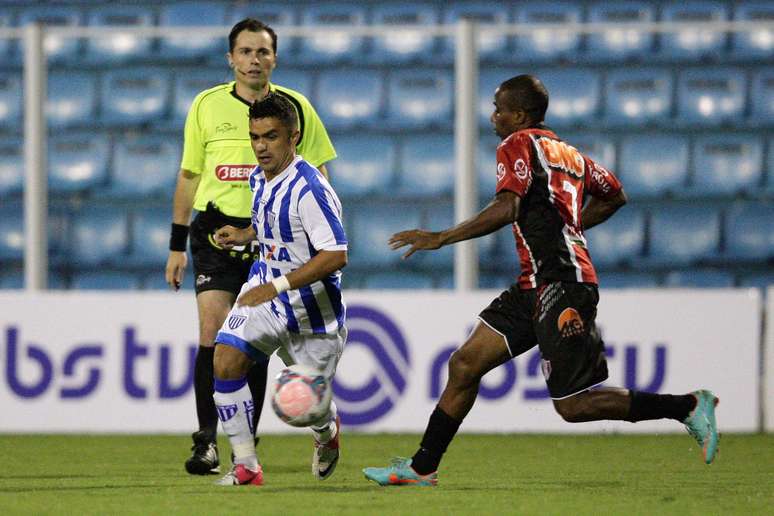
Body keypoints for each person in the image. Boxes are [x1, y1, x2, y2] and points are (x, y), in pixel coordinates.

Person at [363, 74, 719, 487]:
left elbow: (507, 206)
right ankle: (423, 467)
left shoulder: (516, 144)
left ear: (520, 115)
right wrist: (573, 227)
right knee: (465, 364)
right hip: (536, 283)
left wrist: (442, 238)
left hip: (562, 283)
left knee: (572, 406)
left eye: (499, 108)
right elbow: (614, 195)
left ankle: (688, 406)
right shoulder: (571, 154)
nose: (493, 116)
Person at [165, 18, 337, 476]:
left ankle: (252, 437)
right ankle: (211, 443)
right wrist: (176, 245)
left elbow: (319, 176)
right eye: (245, 51)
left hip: (277, 243)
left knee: (259, 348)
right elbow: (189, 175)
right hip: (219, 232)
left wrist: (314, 235)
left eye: (262, 52)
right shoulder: (206, 106)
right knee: (215, 332)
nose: (253, 59)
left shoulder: (296, 108)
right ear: (231, 59)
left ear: (274, 58)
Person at [210, 93, 348, 486]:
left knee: (308, 411)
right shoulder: (259, 177)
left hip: (313, 315)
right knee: (225, 361)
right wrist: (244, 235)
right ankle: (247, 466)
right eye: (255, 137)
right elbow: (272, 226)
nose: (260, 146)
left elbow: (336, 255)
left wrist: (278, 286)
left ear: (294, 137)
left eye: (270, 136)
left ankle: (327, 432)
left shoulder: (310, 190)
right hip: (265, 294)